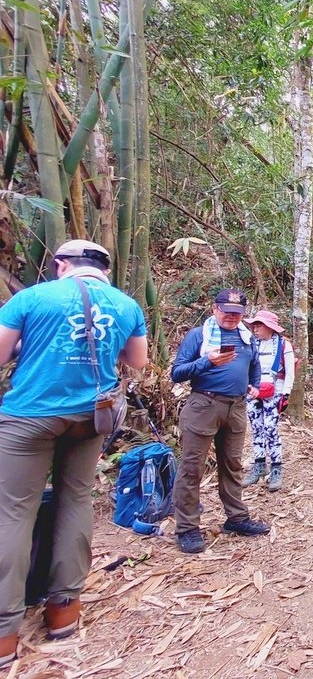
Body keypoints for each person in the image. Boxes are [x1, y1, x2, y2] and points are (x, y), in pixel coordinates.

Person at [0, 240, 148, 666]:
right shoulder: (125, 305)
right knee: (76, 499)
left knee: (13, 511)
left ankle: (6, 630)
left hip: (30, 414)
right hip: (91, 416)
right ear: (104, 268)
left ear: (62, 264)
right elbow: (136, 361)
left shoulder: (32, 297)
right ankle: (64, 610)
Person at [170, 288, 270, 554]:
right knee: (192, 467)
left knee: (232, 464)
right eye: (226, 312)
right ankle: (187, 529)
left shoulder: (246, 337)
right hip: (204, 404)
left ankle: (236, 518)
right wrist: (207, 362)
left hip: (236, 407)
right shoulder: (199, 336)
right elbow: (177, 373)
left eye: (237, 313)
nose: (231, 317)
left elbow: (254, 365)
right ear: (215, 309)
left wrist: (255, 385)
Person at [240, 310, 295, 492]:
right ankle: (259, 465)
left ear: (270, 327)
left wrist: (285, 394)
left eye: (259, 325)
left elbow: (289, 372)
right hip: (253, 391)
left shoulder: (282, 345)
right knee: (256, 429)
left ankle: (276, 469)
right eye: (254, 325)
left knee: (271, 430)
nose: (255, 329)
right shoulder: (250, 343)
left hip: (274, 391)